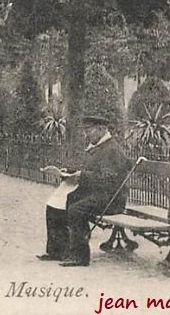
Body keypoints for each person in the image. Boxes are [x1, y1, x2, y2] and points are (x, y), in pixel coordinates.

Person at [38, 114, 131, 267]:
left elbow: (109, 180)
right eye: (85, 131)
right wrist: (68, 171)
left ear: (101, 129)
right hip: (98, 194)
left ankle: (80, 257)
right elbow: (90, 170)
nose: (86, 134)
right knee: (55, 204)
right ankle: (58, 251)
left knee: (76, 209)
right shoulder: (99, 147)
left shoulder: (112, 150)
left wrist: (81, 175)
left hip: (111, 199)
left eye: (89, 130)